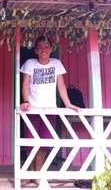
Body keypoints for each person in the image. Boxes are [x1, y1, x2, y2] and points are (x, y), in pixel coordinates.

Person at [19, 36, 79, 185]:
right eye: (40, 47)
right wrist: (26, 101)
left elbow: (61, 85)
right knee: (30, 143)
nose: (43, 49)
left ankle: (36, 174)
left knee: (44, 143)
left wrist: (68, 103)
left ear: (51, 49)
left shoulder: (56, 63)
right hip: (32, 109)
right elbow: (25, 84)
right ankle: (31, 174)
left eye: (46, 47)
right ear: (36, 50)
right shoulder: (29, 63)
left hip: (49, 109)